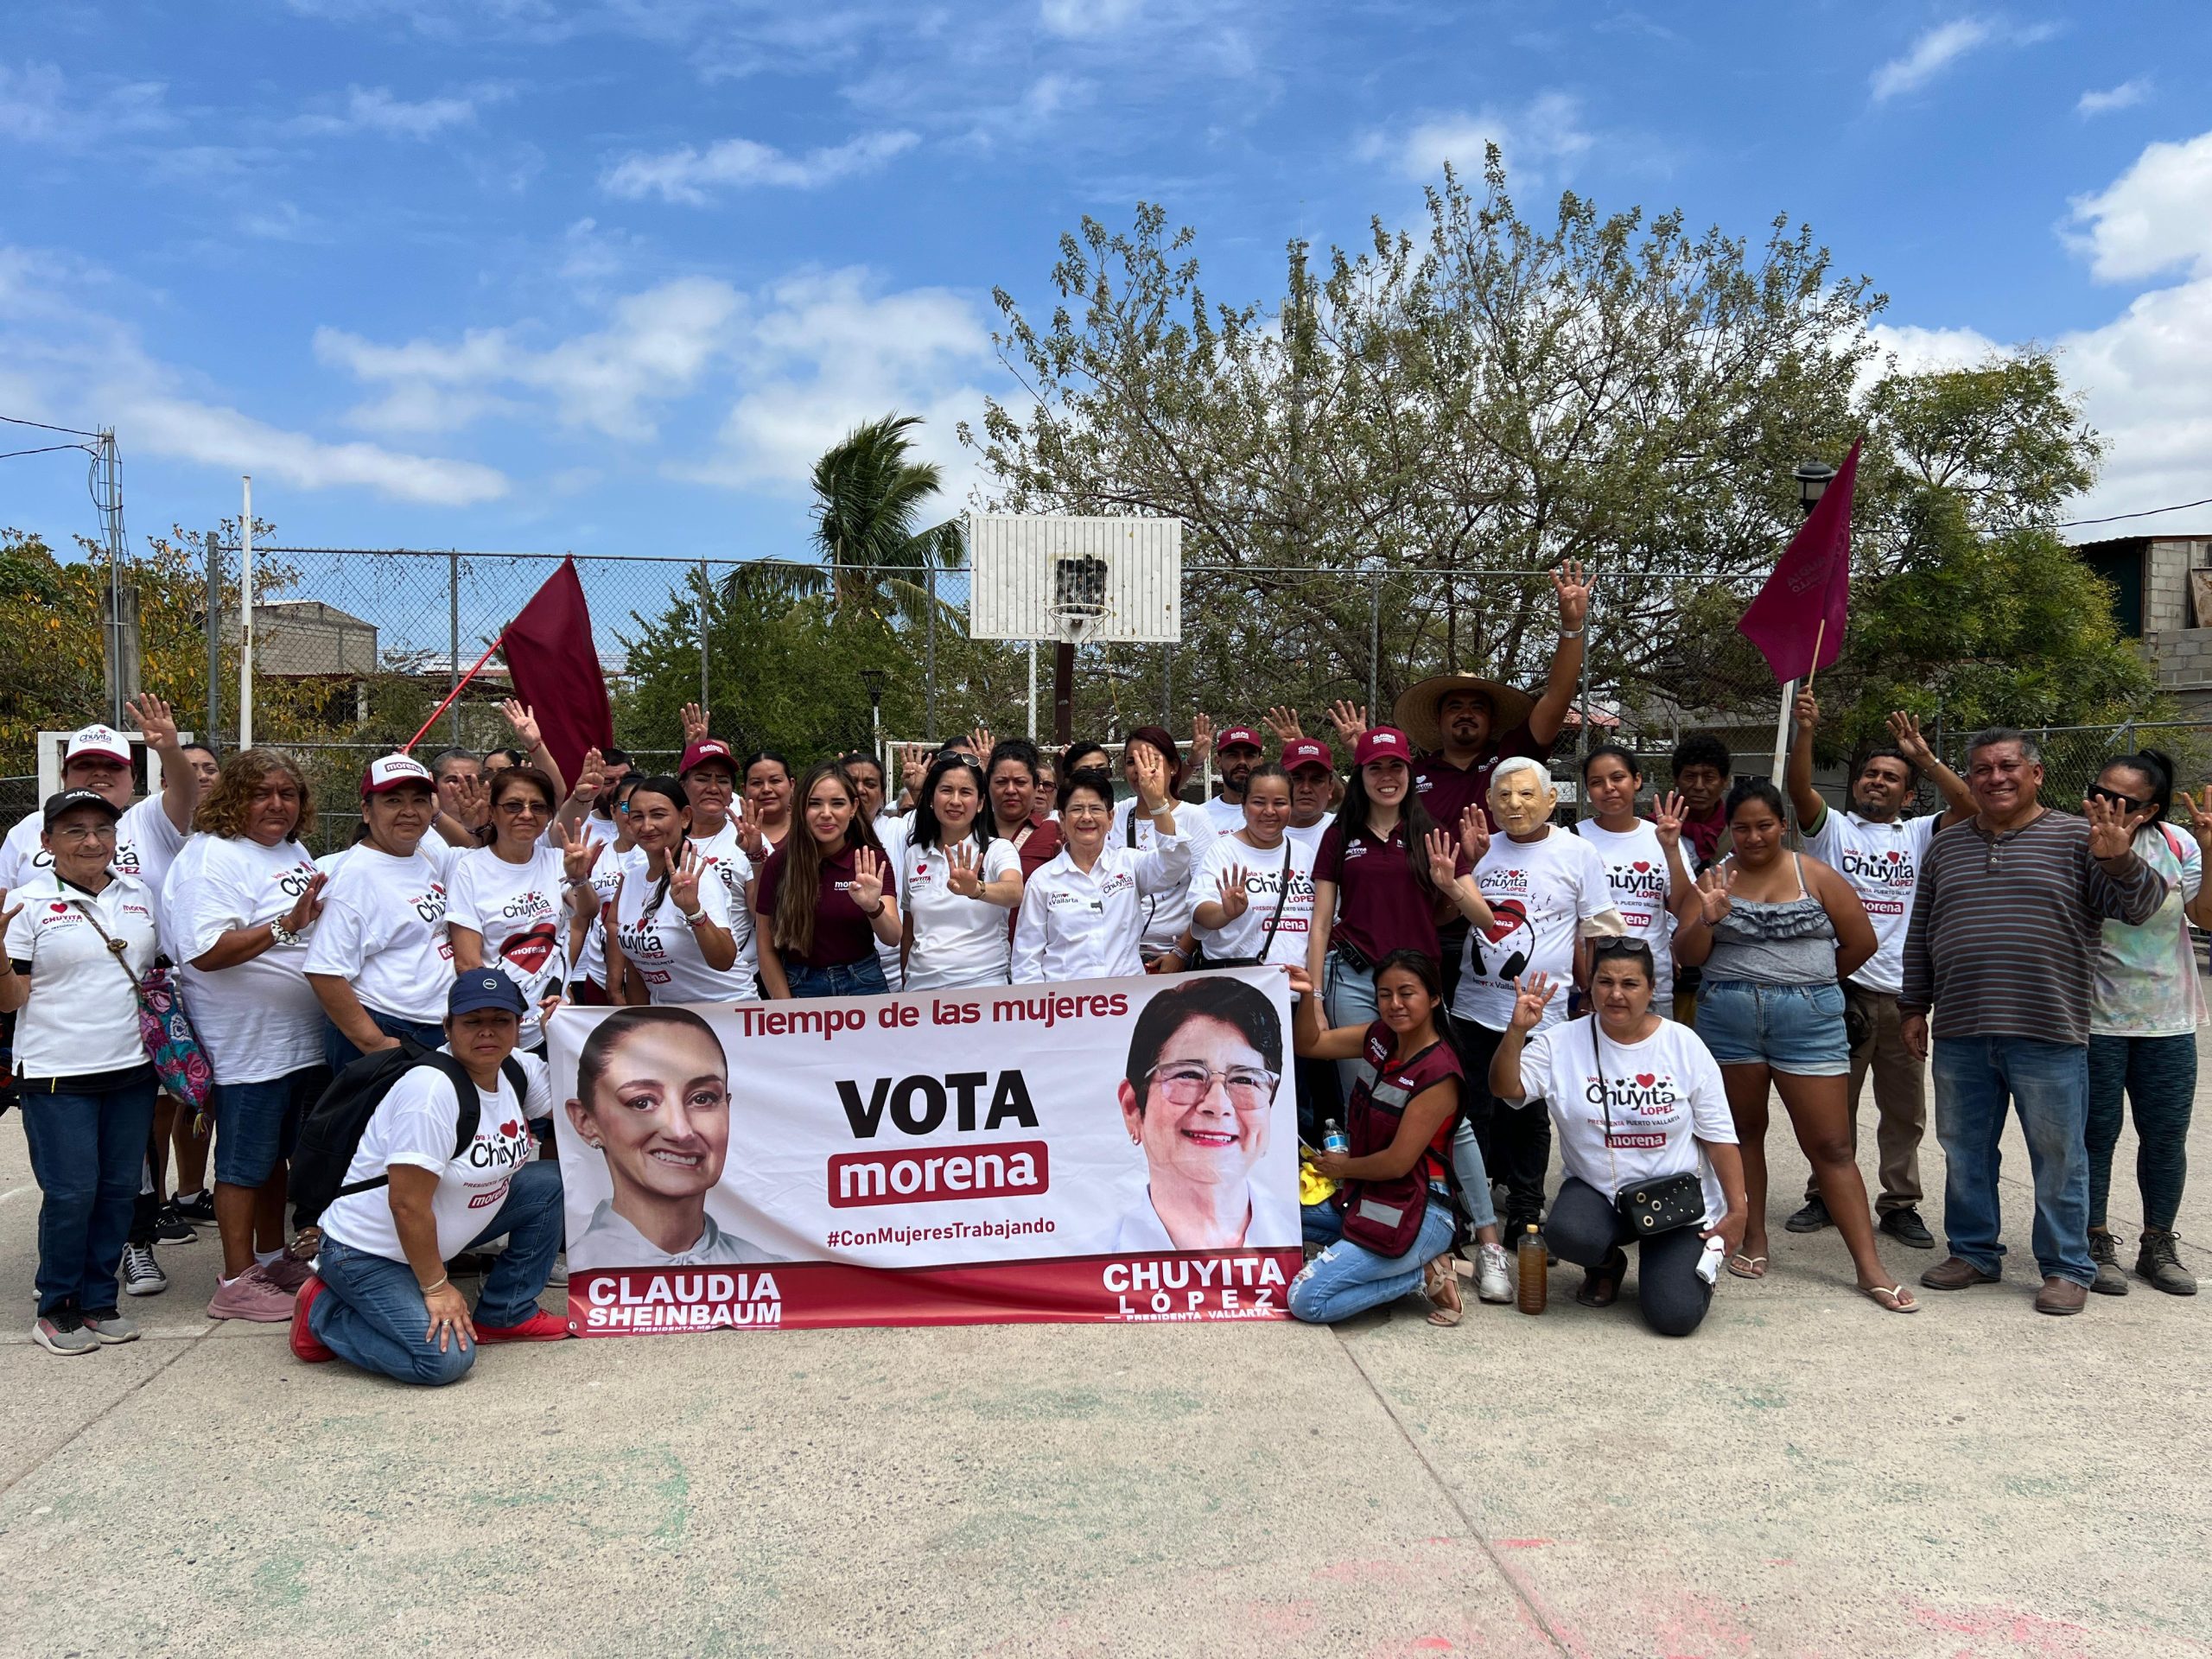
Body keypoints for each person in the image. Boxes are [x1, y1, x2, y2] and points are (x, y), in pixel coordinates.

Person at [1900, 731, 2167, 1316]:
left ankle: (2067, 1265)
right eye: (1981, 769)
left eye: (2008, 766)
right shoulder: (1946, 846)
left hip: (2049, 1030)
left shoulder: (2081, 837)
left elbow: (2141, 906)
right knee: (1966, 1150)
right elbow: (1922, 932)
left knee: (2058, 1155)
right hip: (1962, 1029)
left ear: (2037, 774)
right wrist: (1913, 1007)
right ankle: (1973, 1252)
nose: (1995, 777)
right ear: (1968, 779)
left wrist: (2118, 858)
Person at [1673, 780, 1915, 1312]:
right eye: (1742, 827)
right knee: (1741, 1134)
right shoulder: (1714, 879)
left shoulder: (1819, 877)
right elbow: (1687, 955)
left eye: (1765, 825)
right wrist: (1710, 916)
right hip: (1729, 1019)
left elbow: (1861, 943)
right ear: (1729, 830)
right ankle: (1753, 1237)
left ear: (1784, 824)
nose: (1754, 836)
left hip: (1809, 1023)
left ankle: (1869, 1266)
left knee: (1831, 1146)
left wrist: (1813, 987)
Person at [289, 973, 568, 1382]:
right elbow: (406, 1204)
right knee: (445, 1361)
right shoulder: (430, 1092)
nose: (487, 1031)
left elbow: (584, 1100)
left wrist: (562, 1038)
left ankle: (507, 1314)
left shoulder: (515, 1068)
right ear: (448, 1027)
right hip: (370, 1252)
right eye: (472, 1021)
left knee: (549, 1183)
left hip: (443, 1230)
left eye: (501, 1020)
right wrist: (437, 1288)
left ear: (518, 1026)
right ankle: (325, 1314)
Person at [1783, 694, 1975, 1249]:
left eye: (1891, 777)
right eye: (1870, 774)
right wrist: (1806, 732)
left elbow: (1967, 806)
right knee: (1833, 1103)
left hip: (1905, 996)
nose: (1877, 782)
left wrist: (1923, 754)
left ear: (1909, 793)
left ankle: (1899, 1204)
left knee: (1903, 1111)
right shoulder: (1834, 830)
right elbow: (1799, 791)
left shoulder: (1917, 835)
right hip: (1841, 989)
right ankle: (1824, 1195)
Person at [1486, 942, 1750, 1337]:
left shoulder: (1683, 1044)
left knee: (1674, 1317)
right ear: (1589, 986)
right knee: (1568, 1234)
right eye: (1604, 981)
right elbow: (1505, 1087)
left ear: (1652, 988)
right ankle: (1607, 1263)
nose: (1616, 994)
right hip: (1599, 1192)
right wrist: (1517, 1031)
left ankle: (1671, 1262)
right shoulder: (1562, 1041)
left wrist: (1737, 1210)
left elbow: (1719, 1138)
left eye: (1630, 983)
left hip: (1673, 1201)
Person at [169, 749, 330, 1322]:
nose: (277, 804)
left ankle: (270, 1257)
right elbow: (207, 952)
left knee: (276, 1161)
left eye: (288, 794)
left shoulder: (289, 850)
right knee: (242, 1163)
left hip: (297, 1040)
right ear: (234, 796)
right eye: (263, 793)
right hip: (247, 1045)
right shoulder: (210, 858)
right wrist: (287, 925)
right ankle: (235, 1280)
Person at [2, 789, 163, 1354]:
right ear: (46, 843)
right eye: (74, 830)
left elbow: (151, 976)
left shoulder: (139, 896)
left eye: (102, 828)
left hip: (131, 1070)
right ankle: (57, 1307)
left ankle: (100, 1302)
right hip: (55, 1073)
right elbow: (10, 1000)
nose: (92, 840)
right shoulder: (26, 903)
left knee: (119, 1192)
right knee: (72, 1193)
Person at [1451, 756, 1624, 1236]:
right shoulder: (1480, 848)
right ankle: (1474, 1212)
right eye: (1503, 795)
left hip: (1539, 1014)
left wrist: (1595, 993)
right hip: (1475, 1006)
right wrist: (1468, 859)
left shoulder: (1577, 853)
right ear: (1488, 802)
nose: (1515, 804)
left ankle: (1526, 1214)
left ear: (1551, 799)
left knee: (1528, 1113)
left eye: (1527, 794)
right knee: (1475, 1110)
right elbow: (1448, 915)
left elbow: (1598, 932)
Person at [1287, 951, 1511, 1321]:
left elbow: (1396, 1163)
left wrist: (1341, 1166)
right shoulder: (1379, 1036)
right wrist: (1309, 995)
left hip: (1418, 1211)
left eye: (1407, 993)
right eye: (1384, 994)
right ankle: (1381, 1260)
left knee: (1306, 1299)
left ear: (1435, 997)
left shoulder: (1438, 1071)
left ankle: (1419, 1275)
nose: (1394, 1004)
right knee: (1280, 1214)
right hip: (1365, 1198)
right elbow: (1310, 1045)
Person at [1307, 727, 1491, 1091]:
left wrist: (1449, 885)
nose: (1387, 777)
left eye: (1396, 766)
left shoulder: (1433, 833)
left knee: (1431, 1087)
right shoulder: (1340, 833)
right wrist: (1314, 997)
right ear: (1360, 776)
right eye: (1375, 768)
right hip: (1352, 977)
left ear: (1410, 772)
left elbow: (1484, 918)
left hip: (1417, 982)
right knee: (1361, 1090)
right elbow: (1322, 924)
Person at [2086, 755, 2204, 1296]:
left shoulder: (2179, 844)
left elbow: (2205, 917)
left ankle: (2158, 1243)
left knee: (2164, 1138)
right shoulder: (2071, 840)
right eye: (2099, 793)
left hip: (2169, 1019)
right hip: (2094, 1019)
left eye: (2123, 802)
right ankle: (2094, 1239)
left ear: (2151, 810)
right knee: (2094, 1137)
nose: (2106, 807)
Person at [1390, 562, 1592, 837]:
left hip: (1506, 880)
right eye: (1455, 706)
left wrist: (1572, 626)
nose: (1466, 713)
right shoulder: (1414, 774)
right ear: (1438, 719)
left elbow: (1557, 696)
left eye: (1477, 707)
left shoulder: (1513, 754)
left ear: (1492, 719)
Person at [565, 1007, 776, 1269]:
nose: (681, 1131)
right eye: (642, 1102)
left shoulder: (777, 1271)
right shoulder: (586, 1268)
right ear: (586, 1122)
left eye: (703, 1099)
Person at [1113, 976, 1300, 1251]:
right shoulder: (1084, 1261)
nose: (1218, 1104)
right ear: (1132, 1106)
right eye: (1187, 1075)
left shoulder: (1298, 1238)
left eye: (1245, 1080)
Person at [304, 755, 465, 1071]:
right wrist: (376, 1044)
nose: (409, 811)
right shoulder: (356, 877)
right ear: (367, 811)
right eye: (393, 801)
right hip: (392, 1030)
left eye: (419, 800)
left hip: (430, 1028)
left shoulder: (420, 855)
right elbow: (324, 971)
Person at [448, 765, 587, 1057]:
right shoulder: (470, 869)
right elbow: (467, 962)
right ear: (493, 812)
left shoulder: (557, 860)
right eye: (513, 806)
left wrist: (580, 878)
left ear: (549, 815)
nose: (526, 814)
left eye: (537, 806)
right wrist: (504, 1018)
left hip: (557, 1019)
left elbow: (586, 914)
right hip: (500, 1025)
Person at [1013, 759, 1191, 982]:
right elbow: (1026, 959)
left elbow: (1175, 863)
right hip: (1065, 1007)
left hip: (1125, 1002)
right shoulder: (1042, 880)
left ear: (1110, 818)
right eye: (1077, 809)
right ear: (1062, 819)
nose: (1087, 817)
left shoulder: (1129, 864)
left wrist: (1157, 803)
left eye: (1095, 809)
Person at [756, 763, 900, 1000]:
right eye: (815, 803)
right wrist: (786, 1008)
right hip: (800, 986)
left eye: (837, 803)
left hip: (863, 983)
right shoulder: (779, 864)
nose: (826, 813)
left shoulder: (870, 859)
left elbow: (893, 937)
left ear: (853, 808)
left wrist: (873, 907)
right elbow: (766, 947)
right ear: (802, 807)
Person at [1573, 745, 1696, 1018]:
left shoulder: (1661, 836)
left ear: (1637, 780)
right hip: (1596, 985)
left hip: (1652, 984)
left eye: (1618, 778)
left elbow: (1684, 908)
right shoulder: (1573, 839)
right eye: (1596, 782)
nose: (1608, 787)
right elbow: (1566, 924)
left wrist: (1672, 850)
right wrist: (1586, 987)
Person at [604, 778, 744, 1006]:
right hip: (670, 1018)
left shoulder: (698, 876)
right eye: (638, 816)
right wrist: (639, 1023)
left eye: (658, 814)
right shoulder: (631, 879)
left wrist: (694, 911)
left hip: (724, 1012)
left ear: (685, 817)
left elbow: (724, 960)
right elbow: (636, 963)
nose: (647, 826)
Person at [899, 753, 1023, 990]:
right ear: (931, 799)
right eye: (946, 790)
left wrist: (976, 889)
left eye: (965, 792)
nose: (955, 801)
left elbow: (1015, 892)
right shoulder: (914, 854)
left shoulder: (998, 849)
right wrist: (906, 987)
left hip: (983, 988)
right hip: (921, 990)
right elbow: (909, 933)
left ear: (980, 803)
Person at [1109, 727, 1217, 969]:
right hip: (1119, 956)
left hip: (1173, 955)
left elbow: (1206, 893)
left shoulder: (1194, 817)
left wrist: (1180, 954)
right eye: (1131, 761)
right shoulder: (1117, 813)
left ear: (1173, 767)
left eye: (1151, 759)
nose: (1140, 769)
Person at [1191, 766, 1316, 973]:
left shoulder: (1305, 855)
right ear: (1243, 805)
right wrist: (1225, 913)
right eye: (1259, 802)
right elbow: (1200, 911)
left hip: (1296, 991)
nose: (1269, 811)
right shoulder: (1223, 851)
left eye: (1280, 803)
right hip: (1239, 989)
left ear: (1291, 806)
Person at [671, 738, 761, 995]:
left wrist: (756, 856)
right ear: (683, 785)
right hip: (675, 984)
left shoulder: (749, 838)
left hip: (732, 981)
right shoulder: (661, 839)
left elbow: (763, 913)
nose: (712, 787)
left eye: (722, 780)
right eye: (702, 778)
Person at [986, 737, 1063, 887]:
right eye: (1001, 782)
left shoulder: (1054, 833)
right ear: (987, 785)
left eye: (1020, 782)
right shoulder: (971, 831)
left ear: (1035, 787)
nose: (1010, 790)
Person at [1199, 721, 1267, 833]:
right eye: (1233, 755)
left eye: (1249, 755)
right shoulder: (1201, 816)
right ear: (1218, 761)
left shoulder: (1276, 812)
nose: (1242, 762)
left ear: (1260, 762)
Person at [1281, 737, 1339, 853]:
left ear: (1330, 788)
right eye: (1296, 779)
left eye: (1316, 780)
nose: (1306, 789)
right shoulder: (1257, 831)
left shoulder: (1347, 831)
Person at [426, 748, 481, 851]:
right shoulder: (419, 830)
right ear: (434, 784)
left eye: (470, 781)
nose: (462, 788)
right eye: (453, 780)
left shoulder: (497, 827)